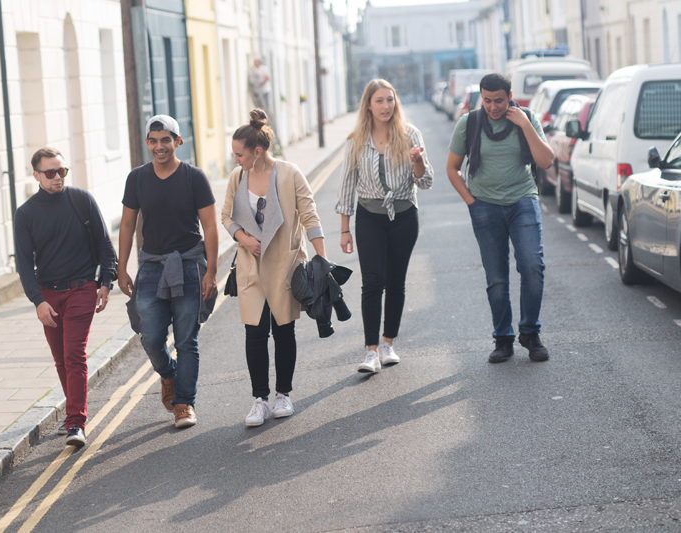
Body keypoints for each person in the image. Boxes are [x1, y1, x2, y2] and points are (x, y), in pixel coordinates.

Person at [221, 109, 326, 427]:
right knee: (254, 333)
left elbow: (310, 216)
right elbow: (226, 216)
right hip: (250, 269)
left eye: (239, 154)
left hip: (284, 266)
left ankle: (283, 394)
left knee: (284, 330)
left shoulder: (290, 172)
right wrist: (242, 237)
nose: (235, 160)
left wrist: (322, 262)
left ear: (257, 151)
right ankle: (259, 400)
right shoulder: (237, 177)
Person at [445, 72, 554, 363]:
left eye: (499, 101)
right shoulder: (468, 123)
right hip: (485, 206)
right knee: (496, 278)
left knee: (532, 266)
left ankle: (530, 333)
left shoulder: (526, 117)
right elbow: (452, 168)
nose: (493, 107)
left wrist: (524, 124)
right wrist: (472, 202)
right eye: (487, 100)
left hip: (523, 202)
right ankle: (503, 339)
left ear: (509, 97)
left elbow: (546, 160)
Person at [118, 115, 219, 428]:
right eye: (153, 140)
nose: (159, 146)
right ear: (147, 143)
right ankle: (169, 374)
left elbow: (211, 226)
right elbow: (127, 224)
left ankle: (184, 403)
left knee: (187, 340)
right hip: (151, 265)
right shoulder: (137, 178)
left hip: (189, 263)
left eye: (166, 139)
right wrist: (121, 269)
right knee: (150, 336)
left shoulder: (194, 177)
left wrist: (211, 271)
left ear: (178, 141)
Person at [15, 147, 117, 447]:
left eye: (62, 171)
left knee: (74, 355)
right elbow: (23, 263)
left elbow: (104, 243)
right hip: (48, 295)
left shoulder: (81, 200)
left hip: (81, 288)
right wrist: (37, 301)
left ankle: (75, 422)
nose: (58, 176)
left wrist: (106, 282)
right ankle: (74, 411)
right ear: (37, 176)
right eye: (50, 172)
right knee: (61, 359)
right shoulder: (26, 214)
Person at [336, 79, 434, 374]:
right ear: (368, 104)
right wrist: (344, 229)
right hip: (369, 216)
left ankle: (389, 343)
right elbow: (347, 185)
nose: (385, 106)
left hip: (404, 216)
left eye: (390, 100)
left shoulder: (410, 133)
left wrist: (417, 162)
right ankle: (371, 351)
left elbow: (425, 181)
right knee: (372, 282)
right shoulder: (356, 139)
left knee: (395, 282)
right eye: (379, 101)